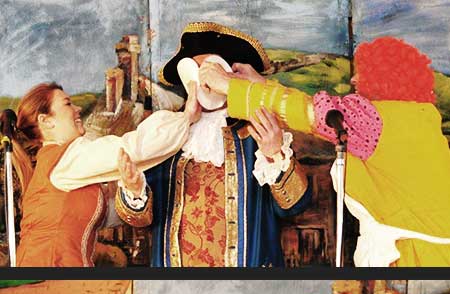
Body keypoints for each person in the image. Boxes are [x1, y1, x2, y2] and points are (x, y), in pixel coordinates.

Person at [199, 36, 450, 267]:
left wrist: (228, 85)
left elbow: (311, 112)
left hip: (417, 258)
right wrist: (261, 84)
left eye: (362, 73)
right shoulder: (415, 117)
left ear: (384, 77)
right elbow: (310, 109)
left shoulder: (378, 119)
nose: (353, 80)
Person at [116, 22, 312, 267]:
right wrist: (135, 190)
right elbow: (139, 219)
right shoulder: (169, 132)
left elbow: (294, 206)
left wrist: (274, 154)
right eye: (195, 72)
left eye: (210, 71)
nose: (203, 81)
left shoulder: (256, 129)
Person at [11, 81, 200, 266]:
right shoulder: (65, 159)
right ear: (46, 120)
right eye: (67, 104)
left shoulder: (63, 165)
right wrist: (185, 117)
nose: (77, 109)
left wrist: (133, 190)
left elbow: (109, 217)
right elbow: (133, 148)